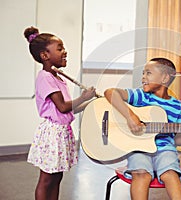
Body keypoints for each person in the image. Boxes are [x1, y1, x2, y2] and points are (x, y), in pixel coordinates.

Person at [104, 57, 181, 200]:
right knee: (141, 174)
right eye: (143, 73)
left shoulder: (179, 107)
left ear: (164, 78)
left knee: (170, 173)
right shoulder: (140, 96)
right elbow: (110, 92)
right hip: (139, 148)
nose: (143, 77)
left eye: (148, 73)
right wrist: (130, 116)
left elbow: (177, 140)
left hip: (165, 149)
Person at [24, 26, 96, 200]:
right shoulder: (45, 77)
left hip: (62, 131)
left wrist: (90, 102)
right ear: (45, 56)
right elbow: (63, 107)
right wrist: (83, 96)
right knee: (47, 179)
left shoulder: (57, 77)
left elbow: (68, 109)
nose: (65, 52)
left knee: (57, 177)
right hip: (53, 134)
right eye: (60, 48)